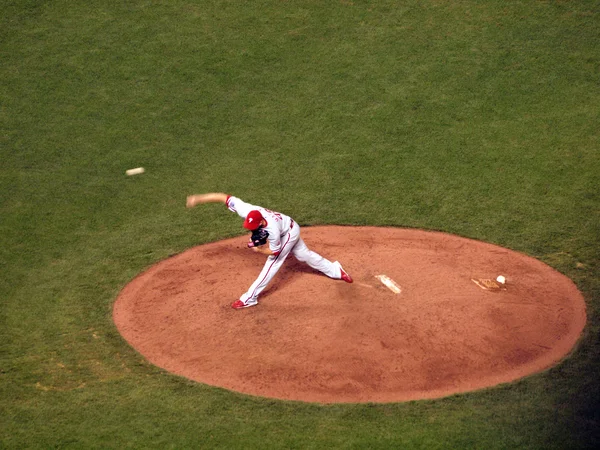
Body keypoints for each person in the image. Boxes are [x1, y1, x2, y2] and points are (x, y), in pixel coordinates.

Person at [186, 193, 353, 309]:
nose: (250, 228)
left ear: (261, 222)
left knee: (273, 264)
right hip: (288, 224)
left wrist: (259, 250)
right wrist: (198, 199)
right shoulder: (248, 210)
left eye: (253, 227)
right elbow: (224, 197)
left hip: (288, 232)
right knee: (304, 255)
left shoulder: (272, 229)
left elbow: (274, 251)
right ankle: (336, 270)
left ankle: (249, 298)